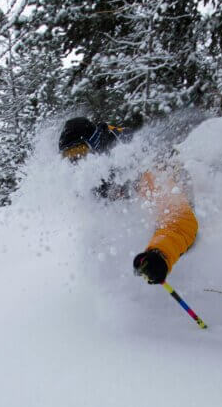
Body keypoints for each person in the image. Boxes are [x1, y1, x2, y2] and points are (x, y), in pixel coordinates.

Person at [57, 116, 198, 285]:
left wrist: (160, 254)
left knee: (180, 247)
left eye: (80, 151)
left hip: (182, 215)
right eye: (69, 156)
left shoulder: (134, 162)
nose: (76, 161)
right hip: (148, 215)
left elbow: (179, 218)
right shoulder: (88, 178)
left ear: (95, 145)